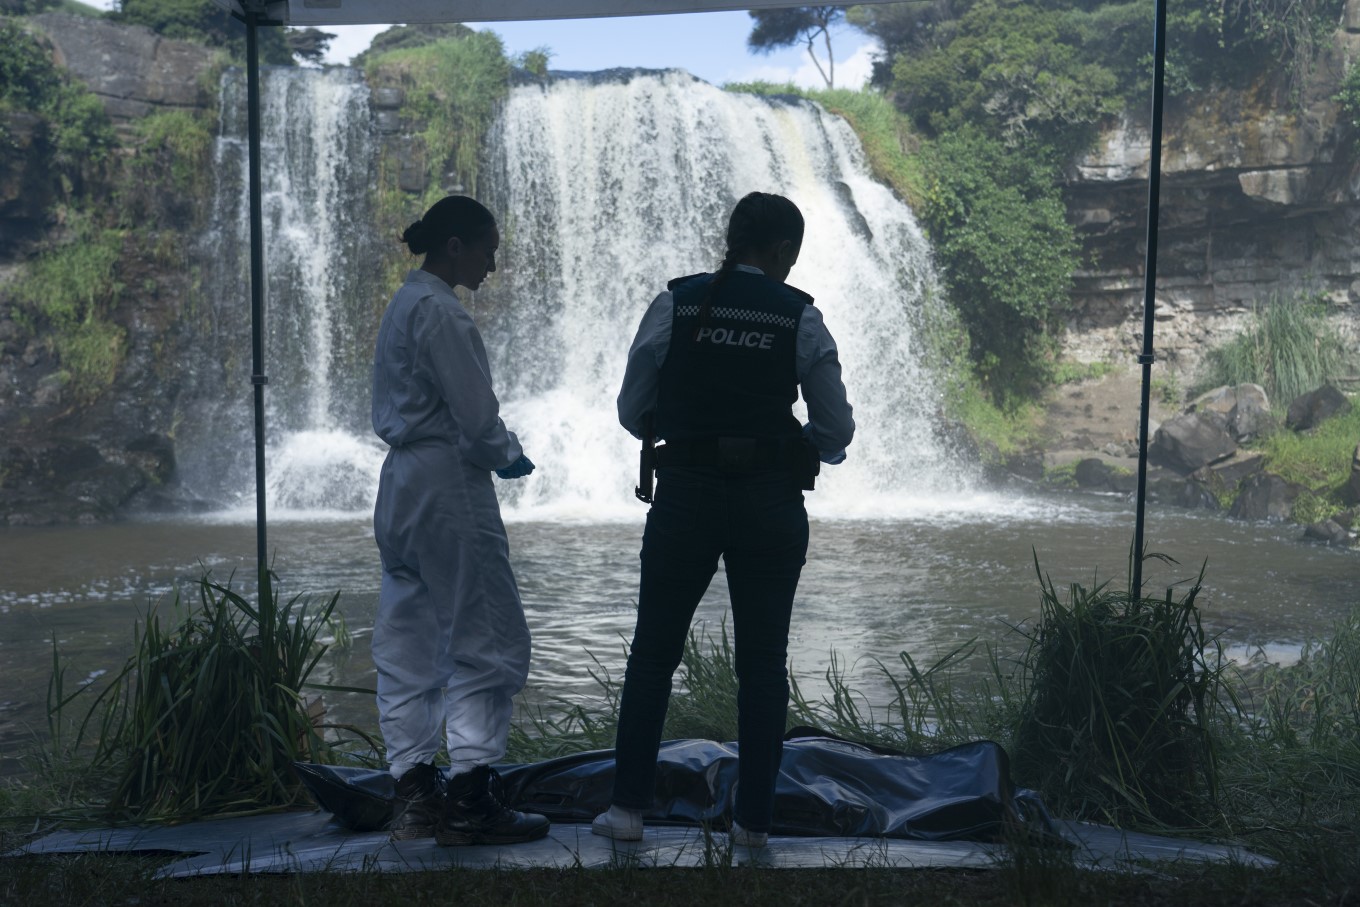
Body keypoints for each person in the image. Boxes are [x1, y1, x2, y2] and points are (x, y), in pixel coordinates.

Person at [594, 191, 855, 847]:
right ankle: (754, 823)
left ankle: (627, 812)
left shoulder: (676, 303)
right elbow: (836, 428)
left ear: (733, 240)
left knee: (653, 653)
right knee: (763, 665)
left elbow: (633, 409)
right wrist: (809, 448)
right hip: (770, 501)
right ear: (781, 251)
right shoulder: (800, 317)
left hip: (685, 494)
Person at [370, 195, 549, 846]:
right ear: (454, 246)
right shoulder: (444, 314)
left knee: (406, 640)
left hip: (400, 488)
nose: (493, 264)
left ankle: (414, 794)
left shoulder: (401, 305)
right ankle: (472, 795)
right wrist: (508, 454)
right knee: (486, 637)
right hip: (448, 482)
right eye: (487, 249)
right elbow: (476, 422)